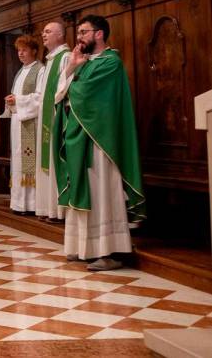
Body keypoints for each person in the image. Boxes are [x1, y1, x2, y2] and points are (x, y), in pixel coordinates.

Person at [54, 15, 145, 271]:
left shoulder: (110, 63)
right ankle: (82, 247)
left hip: (100, 142)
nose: (79, 36)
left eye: (84, 31)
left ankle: (109, 251)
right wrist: (71, 68)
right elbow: (59, 96)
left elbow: (82, 95)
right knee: (84, 190)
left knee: (101, 192)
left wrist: (73, 77)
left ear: (99, 34)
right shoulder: (83, 62)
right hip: (78, 139)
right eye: (79, 31)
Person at [36, 22, 72, 223]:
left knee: (55, 159)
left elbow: (64, 87)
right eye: (43, 32)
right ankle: (48, 208)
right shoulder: (50, 60)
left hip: (58, 117)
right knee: (47, 161)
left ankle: (59, 210)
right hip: (46, 118)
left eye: (48, 31)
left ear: (60, 35)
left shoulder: (64, 57)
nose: (43, 34)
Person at [4, 35, 43, 215]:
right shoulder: (21, 71)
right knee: (19, 162)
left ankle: (32, 204)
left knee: (29, 162)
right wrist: (12, 101)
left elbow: (40, 98)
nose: (20, 54)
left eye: (24, 50)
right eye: (18, 50)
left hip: (31, 123)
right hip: (18, 122)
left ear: (34, 51)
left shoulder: (40, 70)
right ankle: (19, 203)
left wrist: (17, 100)